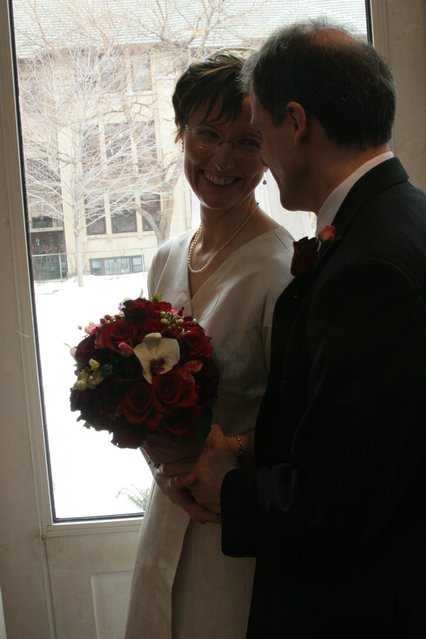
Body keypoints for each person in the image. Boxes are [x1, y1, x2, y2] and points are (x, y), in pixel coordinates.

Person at [171, 20, 426, 638]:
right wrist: (245, 448)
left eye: (257, 134)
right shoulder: (396, 218)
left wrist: (227, 487)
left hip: (360, 601)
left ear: (296, 122)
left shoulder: (372, 264)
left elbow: (339, 498)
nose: (257, 159)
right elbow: (356, 427)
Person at [124, 52, 295, 639]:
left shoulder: (281, 270)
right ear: (181, 135)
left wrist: (225, 458)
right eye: (207, 135)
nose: (222, 160)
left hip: (233, 523)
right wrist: (159, 462)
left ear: (269, 151)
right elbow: (137, 389)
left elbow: (296, 420)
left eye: (247, 142)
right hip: (165, 510)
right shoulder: (166, 258)